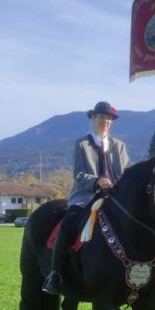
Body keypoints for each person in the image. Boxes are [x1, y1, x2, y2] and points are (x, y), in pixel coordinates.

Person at [42, 101, 129, 295]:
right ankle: (55, 274)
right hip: (86, 196)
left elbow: (124, 174)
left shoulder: (120, 146)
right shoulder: (82, 144)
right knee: (68, 223)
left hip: (114, 198)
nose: (105, 121)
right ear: (93, 118)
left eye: (109, 118)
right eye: (101, 117)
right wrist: (97, 181)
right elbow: (79, 174)